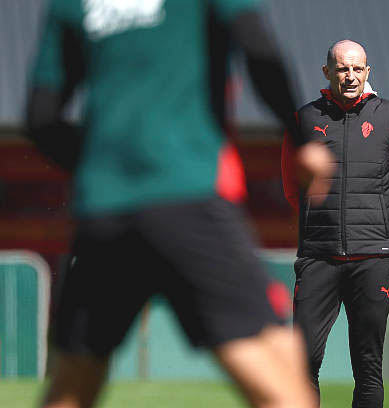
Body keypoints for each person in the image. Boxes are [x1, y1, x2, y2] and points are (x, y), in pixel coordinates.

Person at [26, 1, 334, 407]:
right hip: (188, 198)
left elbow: (40, 118)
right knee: (281, 379)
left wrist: (106, 166)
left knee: (72, 386)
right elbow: (259, 49)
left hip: (104, 212)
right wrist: (301, 142)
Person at [281, 40, 389, 407]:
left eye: (358, 69)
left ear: (367, 72)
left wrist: (375, 224)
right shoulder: (304, 120)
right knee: (302, 363)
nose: (350, 76)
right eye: (343, 68)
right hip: (318, 258)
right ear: (327, 72)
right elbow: (293, 188)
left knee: (368, 367)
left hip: (372, 259)